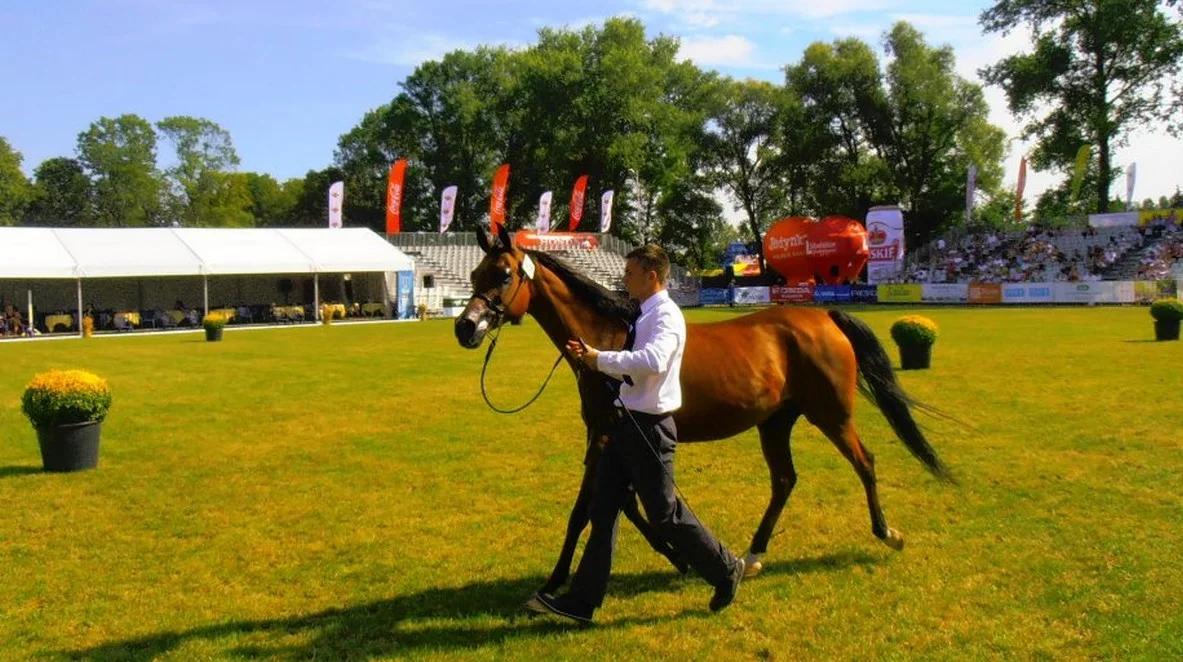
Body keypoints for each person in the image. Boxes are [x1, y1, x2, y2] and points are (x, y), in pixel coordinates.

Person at [527, 244, 744, 625]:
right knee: (603, 510)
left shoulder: (666, 317)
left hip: (650, 429)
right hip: (625, 424)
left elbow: (653, 362)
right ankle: (582, 602)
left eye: (630, 272)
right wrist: (593, 354)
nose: (624, 278)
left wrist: (599, 360)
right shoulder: (644, 314)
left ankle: (726, 569)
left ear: (652, 276)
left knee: (664, 515)